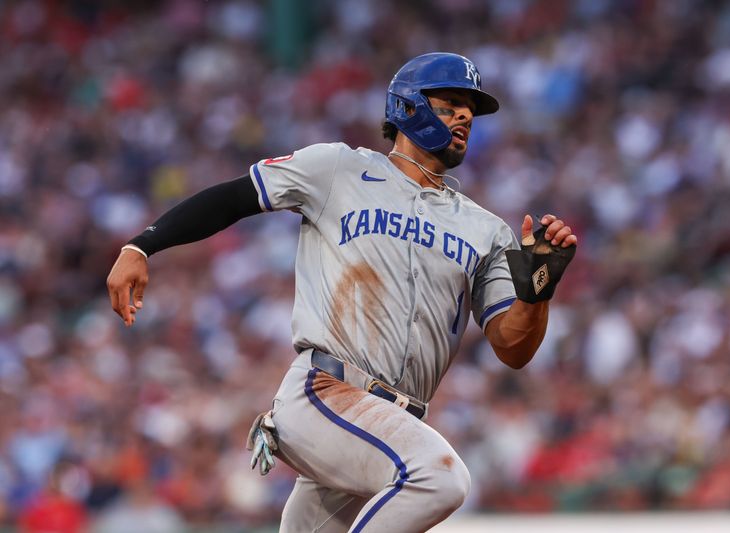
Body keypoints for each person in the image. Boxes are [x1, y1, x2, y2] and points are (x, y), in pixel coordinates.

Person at [106, 52, 577, 532]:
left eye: (470, 109)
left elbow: (512, 347)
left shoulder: (486, 229)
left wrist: (538, 290)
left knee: (423, 475)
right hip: (325, 392)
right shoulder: (338, 169)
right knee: (438, 477)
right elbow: (234, 197)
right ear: (408, 106)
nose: (464, 115)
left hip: (388, 427)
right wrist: (142, 245)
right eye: (451, 101)